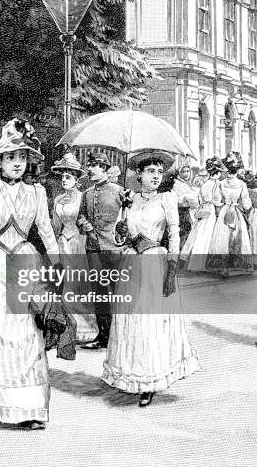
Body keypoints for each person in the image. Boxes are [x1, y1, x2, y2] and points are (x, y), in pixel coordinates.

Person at [0, 119, 59, 430]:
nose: (17, 164)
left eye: (22, 158)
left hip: (26, 263)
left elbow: (45, 231)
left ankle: (28, 409)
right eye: (10, 158)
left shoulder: (37, 192)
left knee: (27, 335)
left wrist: (56, 264)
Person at [105, 151, 200, 407]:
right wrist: (120, 231)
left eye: (159, 172)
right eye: (150, 172)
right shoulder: (128, 200)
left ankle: (149, 382)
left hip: (155, 262)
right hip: (131, 262)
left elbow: (174, 235)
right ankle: (131, 376)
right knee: (130, 320)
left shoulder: (167, 199)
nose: (156, 176)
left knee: (150, 322)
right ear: (139, 175)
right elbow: (118, 238)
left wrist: (172, 268)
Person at [76, 152, 124, 349]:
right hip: (93, 248)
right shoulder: (86, 194)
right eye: (90, 165)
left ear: (104, 168)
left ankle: (122, 336)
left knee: (119, 292)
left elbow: (128, 219)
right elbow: (80, 217)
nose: (90, 169)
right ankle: (104, 337)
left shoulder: (120, 191)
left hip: (114, 248)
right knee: (99, 293)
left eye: (94, 165)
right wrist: (85, 225)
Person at [49, 152, 98, 343]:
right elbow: (55, 226)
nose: (64, 180)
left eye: (68, 177)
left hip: (79, 241)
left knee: (80, 283)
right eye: (62, 176)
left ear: (77, 180)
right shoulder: (58, 200)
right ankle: (69, 326)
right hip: (63, 242)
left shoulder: (82, 198)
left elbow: (88, 220)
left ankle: (87, 328)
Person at [205, 154, 253, 275]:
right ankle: (236, 266)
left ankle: (222, 265)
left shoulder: (220, 183)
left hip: (225, 211)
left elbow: (217, 200)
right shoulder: (242, 184)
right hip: (236, 212)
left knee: (222, 237)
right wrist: (244, 208)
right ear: (237, 170)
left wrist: (222, 206)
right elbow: (247, 203)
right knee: (238, 237)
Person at [180, 157, 225, 272]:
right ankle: (199, 263)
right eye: (220, 172)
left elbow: (200, 199)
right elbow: (216, 200)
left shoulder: (205, 184)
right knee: (206, 235)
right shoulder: (215, 184)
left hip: (203, 208)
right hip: (210, 209)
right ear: (217, 172)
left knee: (199, 233)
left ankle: (191, 261)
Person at [171, 164, 199, 250]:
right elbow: (178, 200)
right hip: (183, 213)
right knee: (185, 234)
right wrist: (188, 197)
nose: (186, 174)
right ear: (179, 173)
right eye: (183, 172)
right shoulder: (177, 184)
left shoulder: (191, 184)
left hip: (192, 212)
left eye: (187, 171)